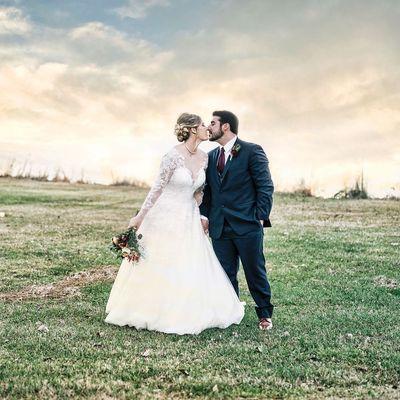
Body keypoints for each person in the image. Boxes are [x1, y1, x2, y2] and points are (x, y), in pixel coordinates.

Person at [105, 113, 244, 335]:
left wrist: (201, 209)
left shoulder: (204, 158)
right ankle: (149, 308)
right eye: (201, 125)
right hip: (164, 215)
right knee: (160, 260)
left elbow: (199, 190)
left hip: (189, 216)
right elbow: (157, 189)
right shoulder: (172, 156)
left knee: (188, 261)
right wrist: (140, 217)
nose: (206, 128)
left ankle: (186, 307)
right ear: (191, 130)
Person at [199, 110, 274, 330]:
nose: (209, 127)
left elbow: (265, 186)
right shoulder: (211, 156)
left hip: (247, 224)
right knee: (224, 272)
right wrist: (205, 215)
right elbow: (208, 191)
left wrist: (261, 217)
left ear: (225, 127)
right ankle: (230, 312)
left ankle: (264, 314)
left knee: (255, 270)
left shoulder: (251, 151)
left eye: (212, 123)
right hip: (219, 226)